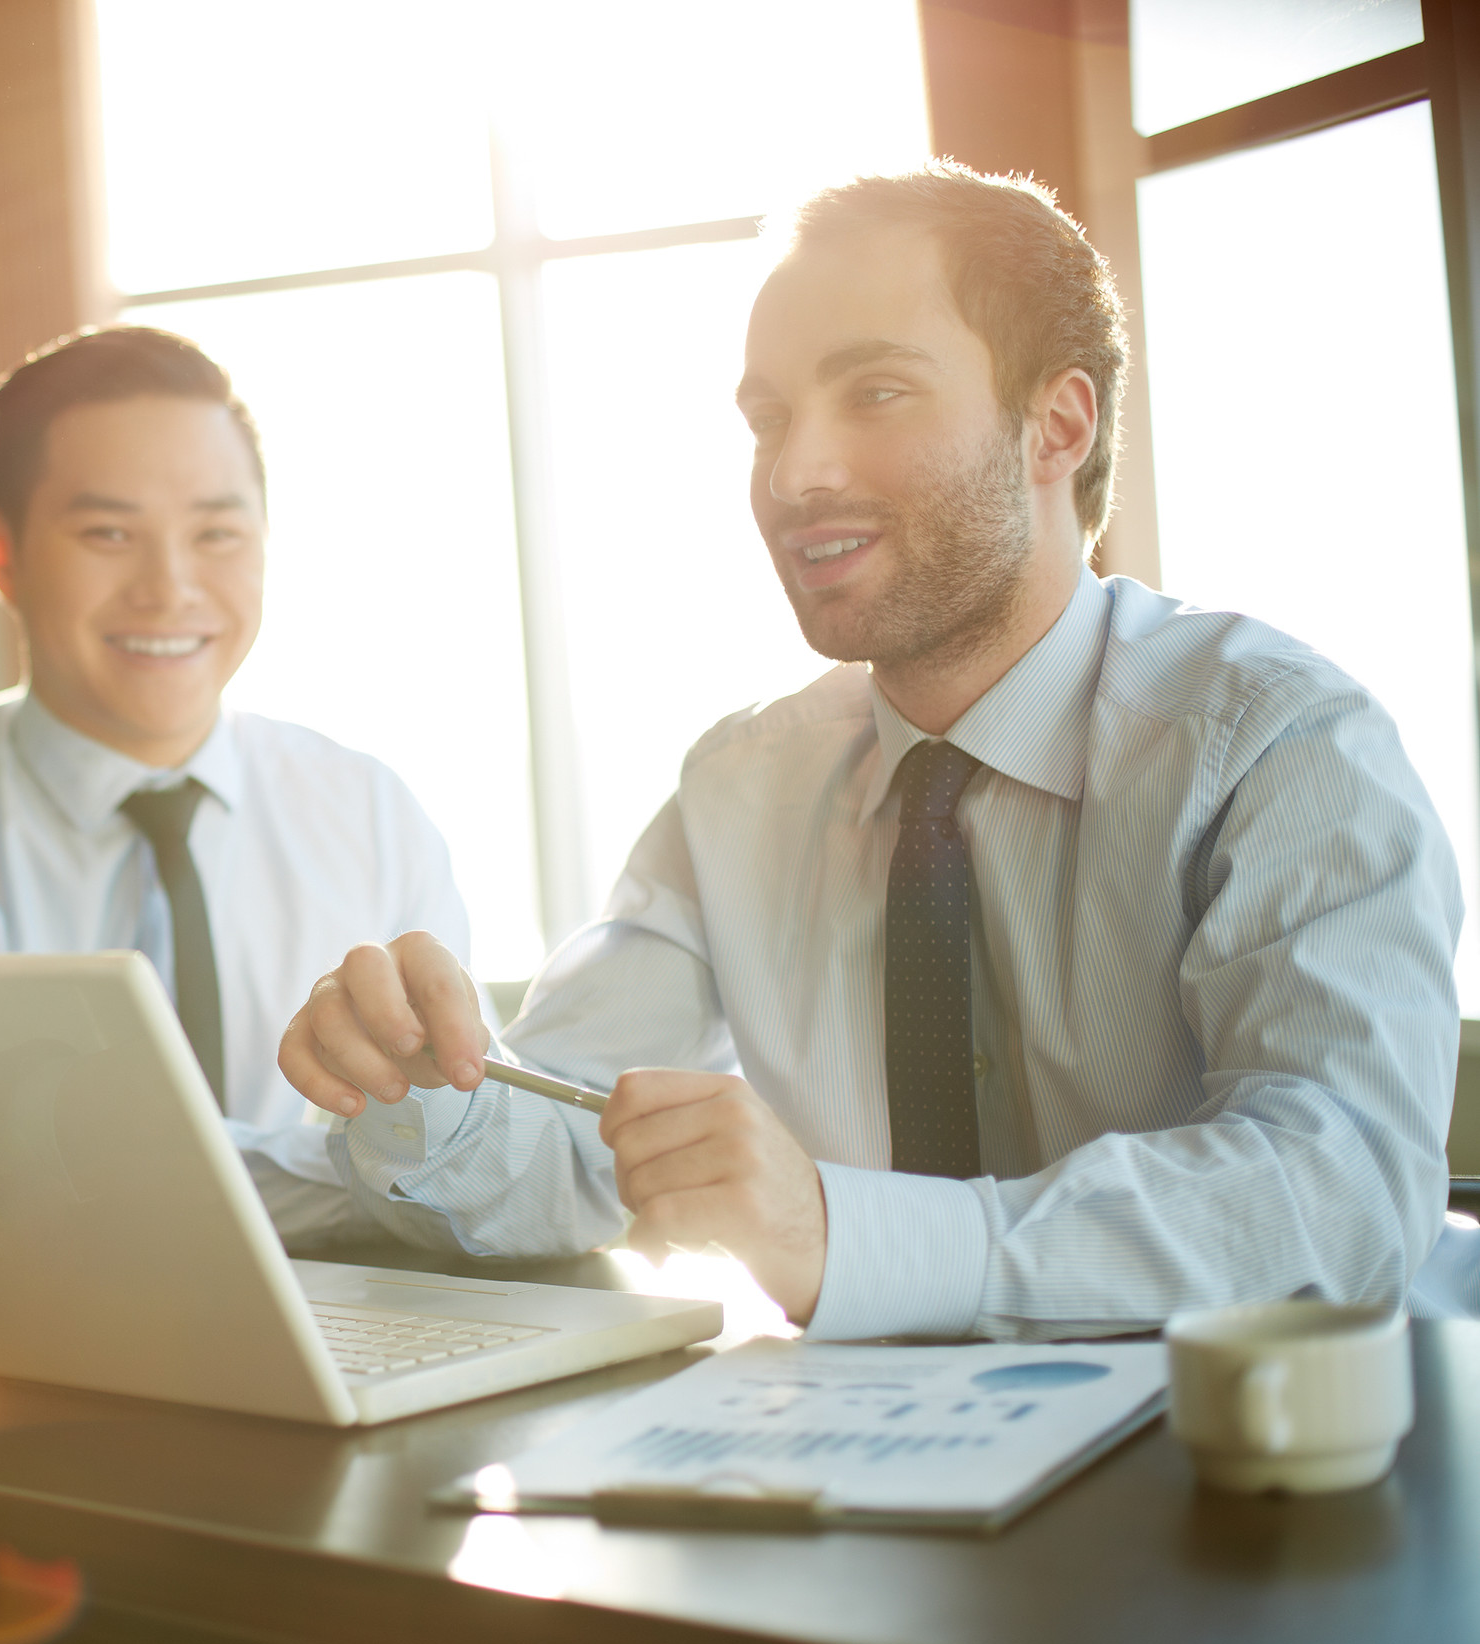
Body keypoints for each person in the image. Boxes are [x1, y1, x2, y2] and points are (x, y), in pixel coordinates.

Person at [278, 163, 1460, 1343]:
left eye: (877, 393)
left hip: (1271, 1473)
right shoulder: (742, 786)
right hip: (881, 1469)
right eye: (770, 419)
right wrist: (418, 1092)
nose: (796, 475)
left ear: (1057, 426)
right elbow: (568, 1139)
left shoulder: (1279, 745)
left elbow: (1337, 1199)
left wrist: (844, 1236)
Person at [0, 326, 475, 1315]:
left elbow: (461, 1154)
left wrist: (434, 1164)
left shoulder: (369, 813)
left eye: (217, 533)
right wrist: (376, 1177)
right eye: (108, 533)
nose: (170, 587)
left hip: (341, 1366)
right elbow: (19, 1202)